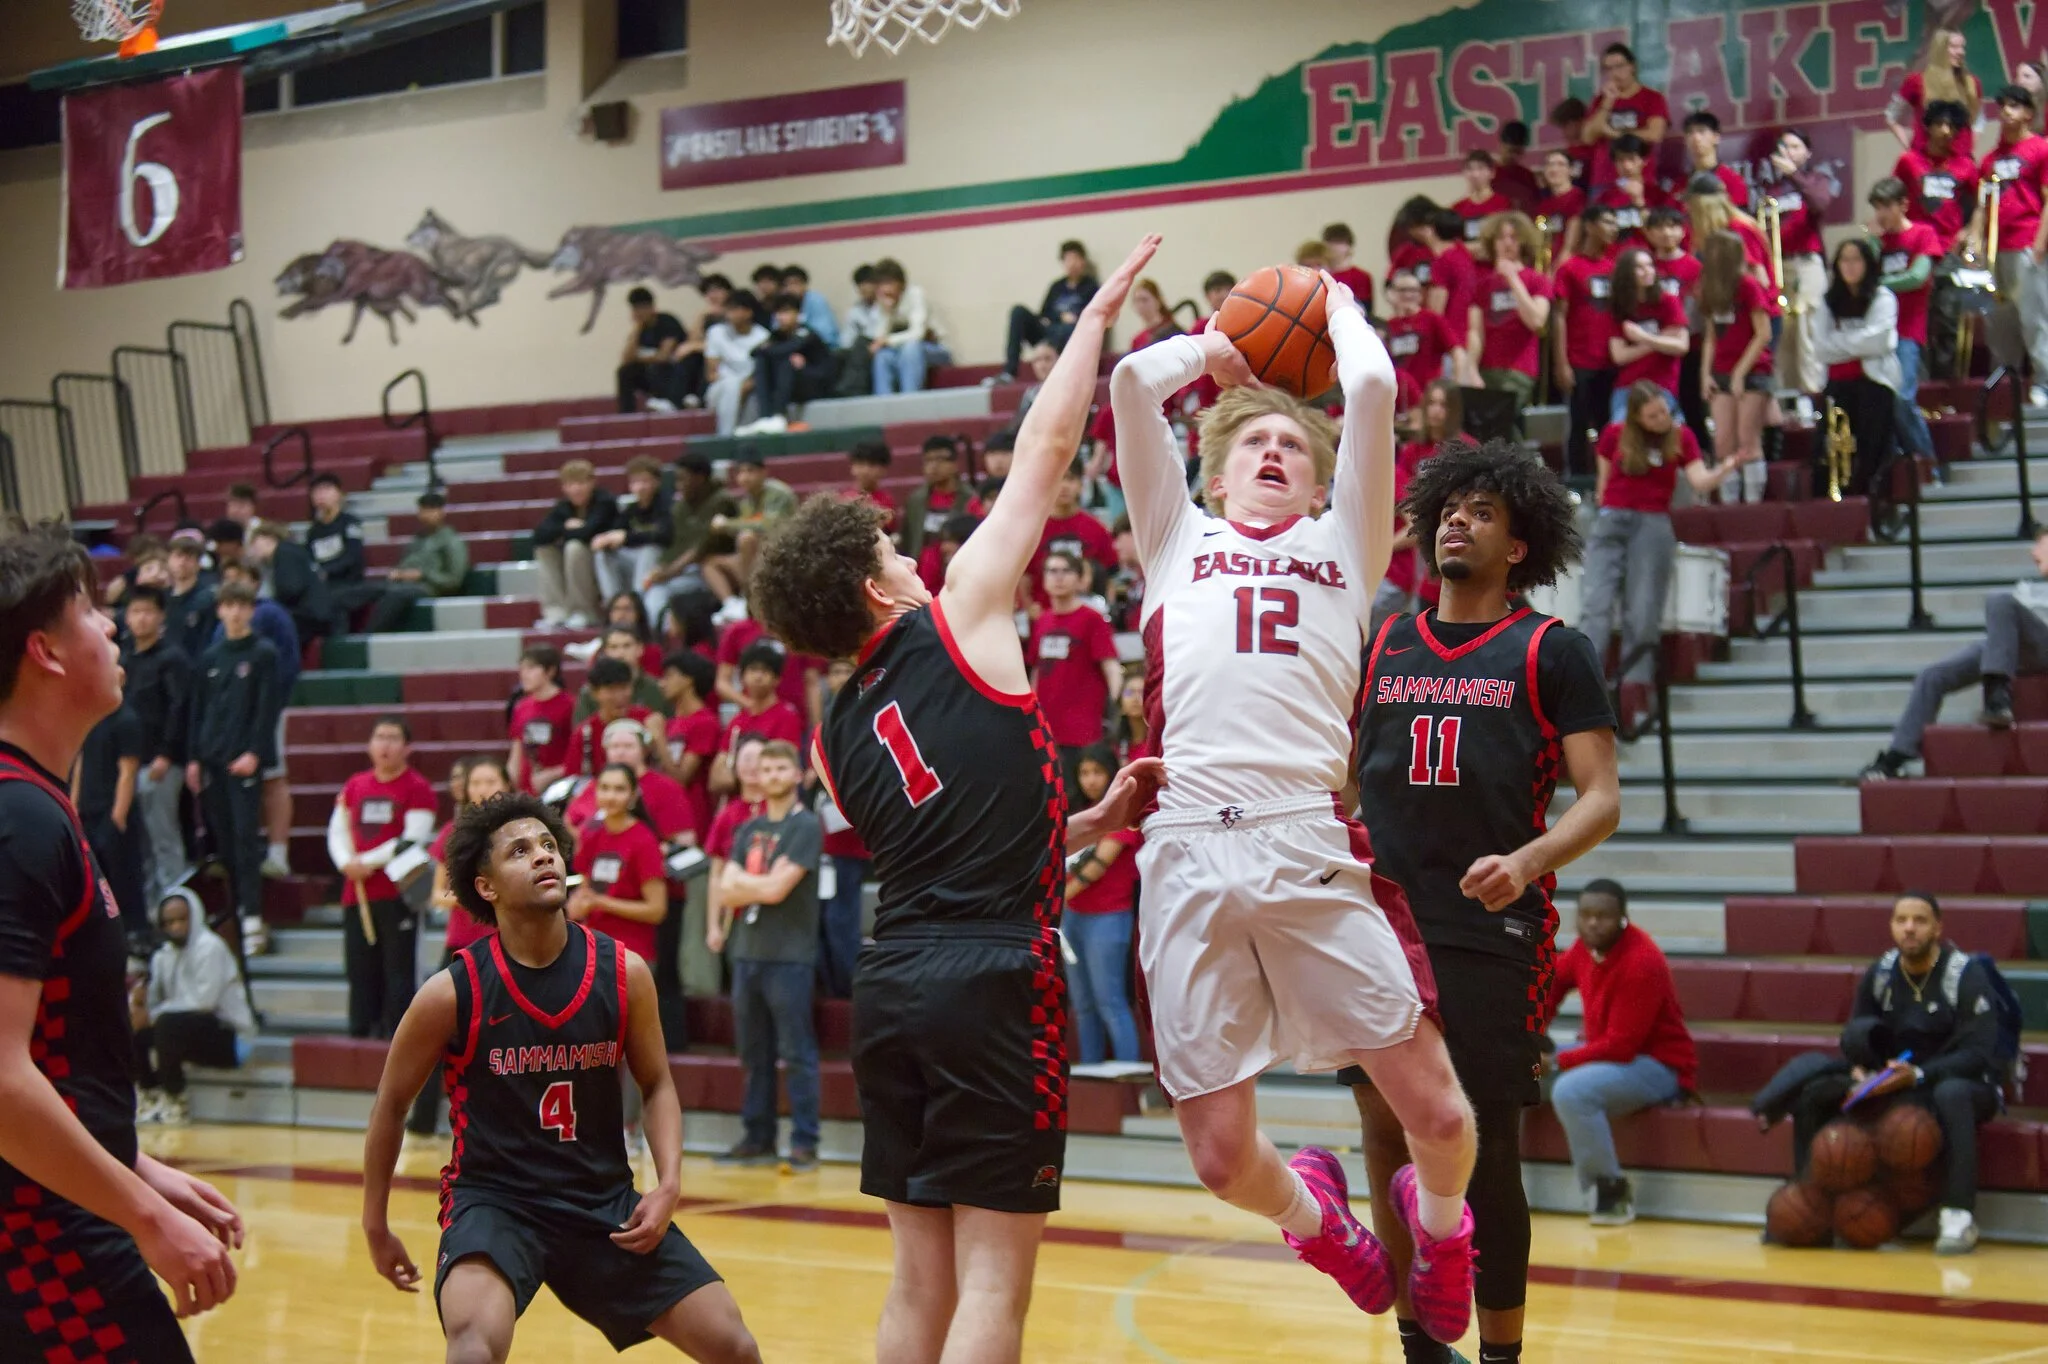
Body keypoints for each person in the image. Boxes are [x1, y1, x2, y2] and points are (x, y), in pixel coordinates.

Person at [747, 235, 1166, 1364]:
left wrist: (1080, 824)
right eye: (892, 546)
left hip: (892, 979)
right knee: (993, 1282)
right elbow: (1045, 451)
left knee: (916, 1281)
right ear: (874, 586)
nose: (912, 554)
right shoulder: (963, 610)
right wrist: (1092, 322)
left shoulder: (829, 734)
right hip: (993, 977)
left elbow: (943, 839)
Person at [1113, 257, 1483, 1343]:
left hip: (1303, 837)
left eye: (1293, 447)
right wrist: (1216, 353)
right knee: (1220, 1158)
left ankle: (1442, 1229)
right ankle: (1315, 1221)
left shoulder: (1340, 545)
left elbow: (1368, 388)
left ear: (1321, 484)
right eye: (1252, 444)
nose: (1273, 452)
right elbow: (1132, 385)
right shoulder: (1175, 539)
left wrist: (1336, 303)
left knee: (1440, 1114)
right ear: (1215, 472)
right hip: (1184, 846)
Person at [1344, 438, 1619, 1364]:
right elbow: (1344, 779)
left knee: (1486, 1146)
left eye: (1482, 512)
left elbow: (1602, 799)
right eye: (1448, 510)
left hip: (1490, 930)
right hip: (1381, 926)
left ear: (1518, 546)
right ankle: (1419, 1349)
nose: (1457, 521)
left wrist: (1528, 862)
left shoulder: (1552, 650)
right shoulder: (1384, 641)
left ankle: (1501, 1355)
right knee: (1385, 1134)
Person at [361, 792, 762, 1362]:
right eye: (520, 851)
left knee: (734, 1346)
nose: (543, 856)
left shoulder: (624, 972)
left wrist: (668, 1183)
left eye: (548, 845)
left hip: (600, 1199)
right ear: (486, 887)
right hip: (495, 1202)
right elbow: (391, 1105)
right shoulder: (451, 992)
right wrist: (375, 1225)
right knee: (473, 1348)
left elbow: (657, 1085)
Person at [0, 526, 243, 1359]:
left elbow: (54, 1057)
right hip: (41, 1234)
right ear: (45, 652)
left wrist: (133, 1164)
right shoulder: (18, 821)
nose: (111, 627)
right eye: (90, 612)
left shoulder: (37, 807)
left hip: (55, 1209)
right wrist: (146, 1217)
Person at [1751, 892, 2004, 1256]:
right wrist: (1862, 1069)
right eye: (1901, 920)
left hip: (1962, 1082)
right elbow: (1857, 1034)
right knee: (1816, 1092)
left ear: (1938, 928)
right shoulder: (1882, 973)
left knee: (1951, 1094)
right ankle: (1811, 1202)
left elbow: (1979, 1054)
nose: (1909, 928)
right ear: (1891, 927)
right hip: (1895, 1078)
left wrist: (1918, 1074)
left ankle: (1958, 1216)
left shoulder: (1964, 974)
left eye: (1919, 920)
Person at [1586, 383, 1752, 718]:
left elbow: (1700, 480)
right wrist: (1603, 503)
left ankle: (1635, 688)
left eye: (1664, 412)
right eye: (1653, 416)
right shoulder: (1614, 434)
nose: (1662, 419)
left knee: (1643, 609)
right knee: (1595, 605)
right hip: (1612, 520)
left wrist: (1727, 467)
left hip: (1652, 524)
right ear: (1637, 418)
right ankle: (1586, 684)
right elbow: (1603, 477)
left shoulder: (1681, 436)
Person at [1538, 879, 1696, 1227]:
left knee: (1572, 1091)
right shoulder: (1584, 949)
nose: (1593, 923)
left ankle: (1611, 1195)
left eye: (1603, 916)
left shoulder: (1642, 961)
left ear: (1623, 918)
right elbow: (1552, 985)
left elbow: (1621, 1046)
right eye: (1585, 915)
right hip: (1611, 1056)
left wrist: (1556, 1061)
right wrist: (1533, 1033)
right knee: (1519, 1071)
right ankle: (1504, 1180)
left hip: (1659, 1066)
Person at [710, 741, 823, 1169]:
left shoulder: (805, 826)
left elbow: (776, 890)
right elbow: (725, 890)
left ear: (796, 774)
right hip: (747, 952)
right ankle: (758, 1138)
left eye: (781, 769)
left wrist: (748, 884)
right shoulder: (747, 829)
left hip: (790, 956)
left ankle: (805, 1141)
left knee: (796, 1052)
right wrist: (757, 885)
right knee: (752, 1053)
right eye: (767, 769)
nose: (772, 776)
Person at [1863, 531, 2048, 779]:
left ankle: (1998, 697)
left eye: (2041, 544)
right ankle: (1897, 756)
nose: (2033, 551)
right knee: (1932, 676)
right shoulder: (2028, 588)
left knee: (1998, 599)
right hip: (2010, 647)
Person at [405, 755, 513, 1146]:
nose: (483, 789)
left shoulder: (518, 833)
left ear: (507, 785)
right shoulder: (453, 833)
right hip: (460, 946)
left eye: (491, 781)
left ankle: (502, 1123)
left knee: (502, 1038)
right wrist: (480, 898)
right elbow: (437, 894)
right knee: (436, 1033)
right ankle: (422, 1121)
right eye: (476, 782)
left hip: (506, 947)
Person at [330, 716, 439, 1040]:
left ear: (407, 748)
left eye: (393, 738)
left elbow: (411, 840)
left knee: (399, 971)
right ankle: (362, 1035)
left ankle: (401, 1040)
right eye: (379, 737)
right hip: (357, 892)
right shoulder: (354, 785)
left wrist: (364, 861)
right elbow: (337, 830)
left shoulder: (418, 788)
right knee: (360, 969)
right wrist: (345, 863)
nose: (385, 745)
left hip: (400, 893)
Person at [188, 580, 280, 954]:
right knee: (222, 842)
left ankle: (253, 915)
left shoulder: (263, 653)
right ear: (220, 610)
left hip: (244, 761)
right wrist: (194, 758)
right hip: (212, 759)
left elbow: (267, 709)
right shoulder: (210, 657)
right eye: (229, 605)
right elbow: (199, 710)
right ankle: (233, 914)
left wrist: (255, 753)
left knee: (245, 838)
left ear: (252, 610)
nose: (236, 612)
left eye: (243, 605)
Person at [133, 887, 254, 1128]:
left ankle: (177, 1101)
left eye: (181, 919)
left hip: (229, 1036)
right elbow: (155, 1003)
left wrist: (154, 1015)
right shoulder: (163, 956)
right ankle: (149, 1093)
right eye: (169, 922)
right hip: (186, 1031)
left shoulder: (211, 947)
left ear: (195, 916)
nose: (176, 927)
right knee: (136, 1028)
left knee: (166, 1023)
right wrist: (139, 1004)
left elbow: (204, 1002)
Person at [1965, 87, 2048, 403]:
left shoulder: (2041, 149)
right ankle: (2004, 387)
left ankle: (2044, 382)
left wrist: (2039, 246)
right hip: (1994, 251)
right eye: (2002, 106)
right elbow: (1981, 207)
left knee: (2035, 318)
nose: (2006, 111)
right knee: (1999, 322)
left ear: (2029, 112)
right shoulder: (1990, 159)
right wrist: (1975, 244)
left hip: (2027, 245)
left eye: (2014, 105)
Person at [1062, 745, 1141, 1065]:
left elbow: (1097, 865)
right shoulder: (1078, 815)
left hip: (1108, 918)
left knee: (1110, 1002)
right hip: (1073, 918)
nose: (1090, 780)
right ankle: (1090, 1075)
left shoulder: (1120, 814)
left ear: (1111, 774)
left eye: (1097, 772)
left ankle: (1128, 1083)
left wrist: (1055, 896)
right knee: (1083, 1005)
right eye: (1084, 773)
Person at [1810, 237, 1900, 498]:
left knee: (1873, 448)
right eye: (1844, 260)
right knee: (1828, 449)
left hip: (1874, 383)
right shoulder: (1827, 302)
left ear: (1868, 264)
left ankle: (1875, 503)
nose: (1849, 266)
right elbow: (1820, 347)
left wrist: (1839, 342)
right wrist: (1858, 343)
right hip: (1837, 386)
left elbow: (1880, 340)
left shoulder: (1883, 297)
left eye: (1856, 260)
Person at [1894, 101, 1978, 381]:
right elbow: (1894, 200)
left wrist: (1968, 232)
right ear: (1927, 127)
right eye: (1939, 124)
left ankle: (1945, 388)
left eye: (1951, 126)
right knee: (1916, 321)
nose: (1945, 131)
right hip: (1916, 253)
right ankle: (1920, 386)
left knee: (1948, 321)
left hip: (1949, 253)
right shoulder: (1908, 162)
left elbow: (1981, 206)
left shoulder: (1966, 166)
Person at [121, 584, 193, 905]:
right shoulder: (124, 658)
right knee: (140, 845)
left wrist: (167, 753)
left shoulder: (173, 658)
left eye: (148, 611)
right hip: (129, 762)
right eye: (135, 611)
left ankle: (175, 907)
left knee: (164, 838)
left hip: (161, 763)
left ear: (161, 616)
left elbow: (180, 709)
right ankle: (151, 910)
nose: (141, 618)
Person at [1029, 550, 1123, 790]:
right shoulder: (1042, 621)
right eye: (1052, 571)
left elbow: (1111, 667)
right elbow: (1036, 672)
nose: (1059, 577)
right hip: (1048, 730)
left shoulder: (1092, 619)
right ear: (1044, 579)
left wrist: (1115, 711)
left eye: (1066, 571)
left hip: (1084, 731)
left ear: (1080, 579)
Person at [1700, 229, 1777, 503]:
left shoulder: (1748, 285)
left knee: (1747, 439)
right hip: (1721, 370)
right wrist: (1705, 374)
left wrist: (1740, 373)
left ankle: (1753, 504)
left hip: (1753, 369)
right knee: (1723, 442)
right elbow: (1711, 337)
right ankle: (1730, 503)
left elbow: (1763, 334)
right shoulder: (1710, 288)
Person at [812, 658, 869, 1001]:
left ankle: (850, 990)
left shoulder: (867, 717)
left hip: (848, 838)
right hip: (820, 839)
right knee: (821, 921)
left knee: (841, 920)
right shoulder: (824, 721)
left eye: (847, 671)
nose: (840, 677)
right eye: (834, 671)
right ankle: (832, 988)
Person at [1554, 202, 1623, 478]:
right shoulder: (1569, 268)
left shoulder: (1615, 267)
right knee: (1578, 426)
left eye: (1615, 223)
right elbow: (1559, 316)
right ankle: (1577, 484)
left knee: (1609, 426)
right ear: (1590, 226)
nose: (1614, 229)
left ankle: (1607, 482)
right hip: (1579, 360)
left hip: (1611, 361)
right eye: (1607, 222)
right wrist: (1561, 363)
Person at [1763, 128, 1835, 394]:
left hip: (1806, 263)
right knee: (1785, 332)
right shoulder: (1772, 190)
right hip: (1779, 265)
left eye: (1795, 147)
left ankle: (1814, 393)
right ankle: (1789, 396)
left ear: (1807, 153)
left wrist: (1794, 174)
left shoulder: (1816, 180)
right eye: (1783, 147)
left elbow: (1820, 203)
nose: (1788, 152)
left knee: (1809, 327)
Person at [73, 699, 149, 936]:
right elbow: (80, 762)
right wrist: (73, 805)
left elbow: (128, 772)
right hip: (88, 811)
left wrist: (118, 818)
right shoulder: (91, 718)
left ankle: (135, 933)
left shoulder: (127, 720)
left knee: (123, 878)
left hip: (112, 813)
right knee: (95, 881)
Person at [1470, 211, 1553, 411]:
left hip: (1518, 370)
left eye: (1514, 237)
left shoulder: (1537, 280)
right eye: (1501, 237)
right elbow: (1475, 332)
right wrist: (1470, 369)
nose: (1507, 243)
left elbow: (1536, 321)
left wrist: (1513, 280)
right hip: (1486, 369)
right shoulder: (1482, 285)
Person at [644, 452, 743, 616]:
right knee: (654, 586)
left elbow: (703, 546)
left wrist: (669, 572)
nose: (678, 486)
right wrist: (661, 567)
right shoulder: (681, 507)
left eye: (682, 479)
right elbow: (678, 544)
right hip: (688, 569)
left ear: (700, 478)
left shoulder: (722, 501)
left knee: (665, 589)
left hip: (716, 569)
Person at [1605, 245, 1689, 424]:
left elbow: (1681, 346)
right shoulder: (1619, 307)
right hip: (1628, 385)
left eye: (1650, 265)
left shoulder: (1668, 301)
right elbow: (1619, 356)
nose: (1647, 271)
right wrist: (1661, 339)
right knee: (1620, 426)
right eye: (1640, 267)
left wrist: (1643, 337)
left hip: (1662, 384)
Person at [366, 490, 469, 634]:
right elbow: (403, 563)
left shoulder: (451, 541)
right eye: (423, 510)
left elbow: (454, 580)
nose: (426, 515)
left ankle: (368, 636)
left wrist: (422, 574)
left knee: (395, 594)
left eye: (430, 510)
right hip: (402, 583)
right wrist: (399, 573)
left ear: (441, 512)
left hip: (428, 587)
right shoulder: (417, 539)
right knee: (360, 591)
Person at [533, 459, 620, 629]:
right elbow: (539, 536)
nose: (576, 489)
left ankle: (583, 611)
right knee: (545, 549)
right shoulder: (563, 506)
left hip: (605, 564)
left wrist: (564, 532)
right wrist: (565, 527)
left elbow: (587, 533)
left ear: (592, 483)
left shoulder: (605, 502)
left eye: (581, 483)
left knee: (575, 548)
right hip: (576, 566)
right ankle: (555, 612)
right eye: (570, 485)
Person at [1002, 239, 1098, 381]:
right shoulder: (1056, 287)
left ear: (1083, 261)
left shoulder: (1091, 286)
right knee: (1018, 312)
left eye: (1075, 259)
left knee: (1068, 329)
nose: (1071, 263)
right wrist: (1060, 316)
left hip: (1072, 336)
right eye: (1067, 259)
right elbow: (1044, 313)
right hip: (1049, 332)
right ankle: (1009, 372)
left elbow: (1093, 316)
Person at [1887, 26, 1983, 159]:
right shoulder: (1915, 81)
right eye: (1954, 47)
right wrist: (1910, 149)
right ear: (1939, 49)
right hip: (1924, 161)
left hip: (1960, 162)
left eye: (1962, 47)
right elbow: (1891, 116)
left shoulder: (1972, 83)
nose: (1961, 52)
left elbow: (1978, 121)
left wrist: (1968, 149)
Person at [591, 457, 672, 611]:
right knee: (603, 554)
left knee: (650, 549)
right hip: (636, 562)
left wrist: (626, 537)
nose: (640, 487)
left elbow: (665, 536)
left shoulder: (666, 505)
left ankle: (638, 606)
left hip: (662, 562)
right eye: (635, 482)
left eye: (645, 481)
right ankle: (613, 605)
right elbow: (617, 532)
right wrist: (605, 539)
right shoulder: (631, 509)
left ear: (657, 482)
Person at [1582, 42, 1668, 186]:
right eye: (1609, 69)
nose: (1614, 73)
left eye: (1619, 66)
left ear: (1632, 66)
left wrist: (1614, 133)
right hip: (1604, 179)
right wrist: (1607, 102)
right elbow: (1588, 137)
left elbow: (1655, 134)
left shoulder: (1652, 98)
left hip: (1640, 178)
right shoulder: (1600, 100)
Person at [750, 292, 837, 428]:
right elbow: (755, 352)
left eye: (786, 312)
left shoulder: (806, 333)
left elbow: (787, 348)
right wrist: (768, 350)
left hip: (815, 382)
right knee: (762, 362)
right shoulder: (777, 335)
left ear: (798, 314)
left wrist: (769, 350)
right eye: (778, 313)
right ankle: (765, 417)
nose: (781, 317)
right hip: (791, 384)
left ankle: (778, 415)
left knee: (787, 361)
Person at [246, 518, 335, 645]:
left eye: (255, 542)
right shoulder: (289, 552)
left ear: (269, 538)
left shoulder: (284, 553)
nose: (253, 549)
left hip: (310, 617)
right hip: (312, 614)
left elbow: (291, 588)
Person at [1381, 269, 1469, 396]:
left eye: (1413, 290)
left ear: (1420, 294)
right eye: (1403, 290)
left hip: (1428, 396)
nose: (1408, 295)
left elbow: (1458, 352)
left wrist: (1457, 388)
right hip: (1397, 397)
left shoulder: (1432, 319)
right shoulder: (1388, 326)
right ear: (1393, 294)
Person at [871, 259, 949, 394]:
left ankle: (910, 399)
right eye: (881, 284)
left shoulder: (916, 294)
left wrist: (888, 340)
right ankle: (883, 402)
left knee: (911, 348)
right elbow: (879, 339)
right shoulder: (882, 302)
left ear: (901, 284)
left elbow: (917, 334)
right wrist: (887, 313)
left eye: (889, 283)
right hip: (901, 351)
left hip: (934, 348)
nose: (885, 289)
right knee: (882, 356)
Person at [899, 435, 983, 560]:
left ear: (955, 464)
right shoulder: (915, 500)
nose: (933, 466)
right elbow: (908, 542)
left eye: (940, 459)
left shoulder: (971, 499)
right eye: (928, 460)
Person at [570, 657, 656, 778]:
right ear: (594, 693)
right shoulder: (584, 733)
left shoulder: (647, 720)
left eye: (624, 687)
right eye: (611, 690)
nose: (619, 696)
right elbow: (574, 779)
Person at [508, 644, 574, 795]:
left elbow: (578, 753)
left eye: (531, 668)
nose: (524, 675)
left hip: (559, 788)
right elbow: (516, 753)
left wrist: (553, 773)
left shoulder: (569, 705)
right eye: (522, 669)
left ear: (550, 671)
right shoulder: (521, 706)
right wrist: (511, 783)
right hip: (527, 789)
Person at [703, 289, 769, 434]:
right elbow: (711, 374)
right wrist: (733, 385)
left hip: (750, 388)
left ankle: (730, 434)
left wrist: (742, 388)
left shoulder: (762, 336)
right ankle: (726, 436)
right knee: (730, 386)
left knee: (748, 397)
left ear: (748, 312)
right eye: (728, 309)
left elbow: (760, 374)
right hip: (720, 387)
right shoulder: (716, 332)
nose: (729, 314)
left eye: (734, 309)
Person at [574, 626, 671, 724]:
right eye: (613, 647)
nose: (620, 653)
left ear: (640, 648)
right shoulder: (591, 691)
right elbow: (582, 728)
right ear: (605, 651)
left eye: (626, 646)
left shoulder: (657, 688)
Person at [305, 472, 371, 617]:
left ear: (339, 494)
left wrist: (326, 571)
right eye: (317, 491)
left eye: (327, 489)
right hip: (322, 586)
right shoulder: (313, 531)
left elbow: (353, 557)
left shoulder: (350, 523)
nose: (321, 495)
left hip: (349, 584)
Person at [618, 286, 691, 413]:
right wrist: (637, 328)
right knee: (625, 372)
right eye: (635, 309)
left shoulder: (667, 321)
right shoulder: (641, 330)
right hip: (652, 374)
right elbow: (626, 359)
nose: (639, 313)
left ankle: (670, 403)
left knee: (656, 367)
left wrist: (639, 357)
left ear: (652, 307)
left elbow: (663, 356)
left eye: (642, 308)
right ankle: (626, 414)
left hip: (675, 373)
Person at [1591, 133, 1666, 243]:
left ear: (1644, 160)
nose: (1626, 166)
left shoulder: (1659, 196)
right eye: (1621, 160)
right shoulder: (1604, 198)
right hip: (1614, 252)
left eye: (1632, 159)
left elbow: (1661, 238)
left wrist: (1639, 201)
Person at [1676, 110, 1747, 207]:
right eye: (1690, 132)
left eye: (1701, 131)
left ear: (1716, 137)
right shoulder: (1680, 185)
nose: (1696, 137)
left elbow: (1738, 215)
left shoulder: (1732, 181)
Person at [164, 535, 217, 662]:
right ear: (168, 560)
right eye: (178, 556)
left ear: (198, 564)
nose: (182, 562)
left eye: (189, 557)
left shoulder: (207, 599)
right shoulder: (161, 598)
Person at [1534, 149, 1586, 262]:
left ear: (1571, 170)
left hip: (1568, 264)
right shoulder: (1543, 205)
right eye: (1549, 164)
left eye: (1561, 164)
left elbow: (1571, 245)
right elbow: (1541, 238)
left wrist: (1557, 269)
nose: (1554, 169)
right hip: (1546, 263)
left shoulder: (1576, 197)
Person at [1451, 151, 1511, 243]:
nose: (1475, 174)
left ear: (1492, 173)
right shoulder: (1458, 208)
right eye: (1470, 169)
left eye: (1481, 168)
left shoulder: (1503, 203)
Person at [1322, 223, 1377, 316]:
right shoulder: (1322, 274)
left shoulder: (1361, 277)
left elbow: (1365, 311)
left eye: (1339, 242)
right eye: (1330, 242)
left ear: (1349, 246)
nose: (1333, 246)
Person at [780, 263, 840, 346]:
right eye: (787, 284)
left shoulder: (816, 300)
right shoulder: (783, 303)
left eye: (795, 283)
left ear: (805, 284)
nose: (791, 288)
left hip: (822, 347)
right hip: (793, 347)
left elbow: (825, 334)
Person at [1494, 121, 1540, 211]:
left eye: (1518, 152)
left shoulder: (1527, 176)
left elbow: (1537, 207)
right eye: (1510, 151)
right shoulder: (1490, 174)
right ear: (1500, 146)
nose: (1514, 156)